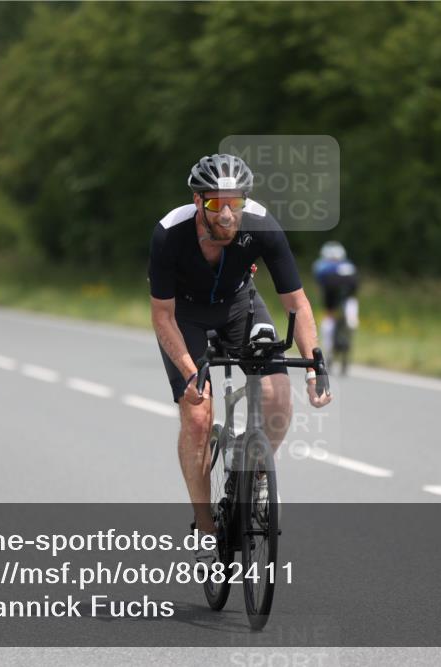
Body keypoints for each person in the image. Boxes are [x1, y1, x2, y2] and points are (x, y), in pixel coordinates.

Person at [148, 154, 332, 563]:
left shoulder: (262, 224)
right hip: (185, 316)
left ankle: (259, 475)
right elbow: (162, 316)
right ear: (198, 201)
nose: (228, 214)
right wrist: (191, 373)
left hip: (239, 306)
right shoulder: (169, 233)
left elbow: (297, 303)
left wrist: (314, 366)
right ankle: (205, 527)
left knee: (277, 396)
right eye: (217, 203)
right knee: (198, 416)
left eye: (236, 202)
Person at [312, 241, 359, 375]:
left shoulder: (321, 265)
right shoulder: (347, 266)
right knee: (331, 325)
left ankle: (331, 352)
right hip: (337, 300)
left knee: (333, 324)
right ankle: (331, 352)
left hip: (342, 300)